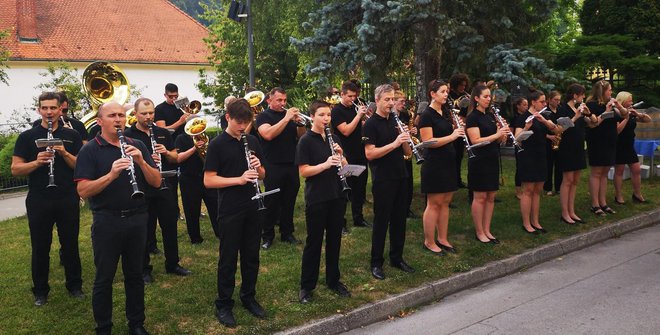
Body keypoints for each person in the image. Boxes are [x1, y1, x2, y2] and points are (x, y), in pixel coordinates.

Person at [74, 101, 161, 335]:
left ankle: (137, 323)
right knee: (104, 278)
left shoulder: (138, 144)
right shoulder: (90, 150)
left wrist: (141, 161)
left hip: (137, 219)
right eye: (112, 115)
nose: (118, 119)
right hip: (106, 221)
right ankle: (104, 327)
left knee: (134, 275)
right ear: (99, 121)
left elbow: (156, 182)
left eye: (121, 115)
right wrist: (111, 175)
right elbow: (83, 191)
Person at [12, 92, 84, 306]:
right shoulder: (27, 136)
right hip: (39, 199)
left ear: (60, 109)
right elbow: (15, 169)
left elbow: (80, 166)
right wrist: (36, 162)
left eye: (53, 108)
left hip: (67, 197)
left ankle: (75, 286)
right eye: (45, 108)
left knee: (70, 244)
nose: (49, 112)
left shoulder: (71, 136)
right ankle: (40, 291)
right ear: (39, 110)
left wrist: (64, 153)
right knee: (40, 246)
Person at [204, 99, 267, 328]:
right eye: (238, 122)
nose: (243, 127)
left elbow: (262, 175)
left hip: (253, 206)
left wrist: (258, 166)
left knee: (251, 255)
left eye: (246, 122)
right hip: (230, 208)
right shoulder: (217, 144)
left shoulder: (251, 141)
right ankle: (224, 303)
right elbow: (209, 180)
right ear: (228, 117)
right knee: (228, 258)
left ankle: (248, 296)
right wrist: (238, 180)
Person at [124, 98, 191, 283]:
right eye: (144, 113)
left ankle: (173, 263)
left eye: (151, 113)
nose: (148, 117)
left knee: (169, 226)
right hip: (143, 187)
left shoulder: (162, 132)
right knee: (145, 229)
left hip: (164, 186)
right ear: (135, 114)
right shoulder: (129, 135)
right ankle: (144, 269)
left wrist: (165, 153)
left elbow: (175, 157)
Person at [296, 100, 351, 303]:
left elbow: (344, 167)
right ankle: (306, 287)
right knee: (314, 242)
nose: (326, 119)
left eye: (328, 115)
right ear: (313, 117)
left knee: (335, 239)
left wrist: (342, 157)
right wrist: (325, 164)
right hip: (317, 197)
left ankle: (333, 280)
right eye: (321, 115)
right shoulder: (306, 141)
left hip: (337, 195)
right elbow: (304, 171)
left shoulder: (333, 138)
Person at [363, 84, 415, 280]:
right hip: (383, 178)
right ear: (377, 101)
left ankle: (397, 257)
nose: (391, 103)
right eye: (387, 100)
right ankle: (376, 262)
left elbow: (407, 154)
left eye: (393, 99)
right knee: (381, 221)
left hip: (400, 175)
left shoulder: (396, 121)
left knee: (399, 219)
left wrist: (405, 140)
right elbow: (370, 153)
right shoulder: (370, 124)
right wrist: (394, 143)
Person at [255, 87, 307, 249]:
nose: (283, 103)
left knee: (289, 200)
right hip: (272, 164)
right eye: (279, 100)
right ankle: (267, 235)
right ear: (269, 100)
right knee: (272, 201)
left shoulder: (289, 118)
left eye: (285, 100)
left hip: (291, 163)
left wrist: (299, 124)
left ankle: (287, 232)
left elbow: (301, 136)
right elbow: (268, 135)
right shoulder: (263, 116)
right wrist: (286, 118)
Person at [419, 80, 463, 255]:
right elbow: (428, 142)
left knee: (445, 202)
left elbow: (447, 133)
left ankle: (443, 238)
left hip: (448, 162)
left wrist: (457, 127)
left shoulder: (445, 112)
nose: (446, 94)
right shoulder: (426, 115)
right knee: (434, 203)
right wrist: (453, 136)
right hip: (434, 164)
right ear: (432, 94)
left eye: (447, 91)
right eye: (443, 91)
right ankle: (429, 241)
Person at [465, 85, 509, 244]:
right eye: (485, 96)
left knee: (491, 196)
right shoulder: (472, 117)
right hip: (479, 160)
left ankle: (487, 229)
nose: (489, 99)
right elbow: (475, 141)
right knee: (480, 196)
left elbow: (495, 139)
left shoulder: (490, 116)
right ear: (476, 98)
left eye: (489, 96)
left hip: (491, 159)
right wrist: (496, 134)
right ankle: (479, 231)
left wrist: (502, 135)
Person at [513, 90, 560, 234]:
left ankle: (536, 221)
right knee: (528, 190)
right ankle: (526, 223)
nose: (544, 104)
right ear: (533, 102)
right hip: (528, 156)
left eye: (545, 101)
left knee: (537, 190)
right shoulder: (523, 118)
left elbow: (556, 129)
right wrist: (526, 128)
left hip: (541, 155)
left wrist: (543, 121)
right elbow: (516, 139)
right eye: (542, 101)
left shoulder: (543, 116)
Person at [331, 80, 372, 233]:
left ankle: (358, 218)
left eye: (354, 96)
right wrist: (358, 116)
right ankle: (340, 223)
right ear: (342, 94)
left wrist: (365, 119)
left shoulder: (355, 107)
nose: (353, 99)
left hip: (359, 152)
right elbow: (346, 131)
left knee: (359, 188)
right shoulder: (336, 111)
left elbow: (358, 129)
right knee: (345, 189)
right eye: (349, 96)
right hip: (345, 155)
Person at [557, 83, 595, 224]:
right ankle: (564, 212)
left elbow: (592, 123)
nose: (584, 97)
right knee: (567, 180)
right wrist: (575, 117)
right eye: (582, 94)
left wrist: (587, 113)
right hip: (567, 148)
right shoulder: (563, 109)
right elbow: (560, 129)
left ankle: (572, 211)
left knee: (575, 181)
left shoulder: (581, 109)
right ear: (575, 95)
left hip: (579, 147)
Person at [176, 122, 220, 244]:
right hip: (189, 179)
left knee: (215, 205)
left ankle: (220, 232)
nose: (198, 131)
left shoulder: (205, 137)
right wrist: (195, 148)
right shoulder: (181, 138)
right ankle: (195, 238)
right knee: (191, 210)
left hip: (206, 177)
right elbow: (178, 158)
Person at [585, 80, 624, 216]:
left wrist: (617, 106)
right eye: (609, 90)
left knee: (605, 172)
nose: (611, 92)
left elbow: (622, 115)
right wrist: (606, 111)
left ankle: (603, 202)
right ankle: (595, 204)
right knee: (596, 172)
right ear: (602, 91)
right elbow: (593, 124)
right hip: (597, 142)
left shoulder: (611, 104)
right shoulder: (591, 105)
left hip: (610, 142)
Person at [154, 83, 187, 225]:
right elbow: (163, 129)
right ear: (165, 95)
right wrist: (180, 121)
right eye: (170, 96)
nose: (174, 99)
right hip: (169, 146)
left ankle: (191, 209)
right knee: (172, 182)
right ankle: (174, 211)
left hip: (183, 142)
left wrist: (189, 115)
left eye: (176, 96)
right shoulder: (160, 109)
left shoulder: (180, 106)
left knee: (186, 180)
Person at [613, 91, 652, 204]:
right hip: (619, 145)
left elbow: (648, 120)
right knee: (619, 171)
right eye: (630, 100)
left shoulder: (631, 112)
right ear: (623, 101)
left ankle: (637, 194)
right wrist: (626, 117)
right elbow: (617, 131)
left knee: (636, 169)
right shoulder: (617, 112)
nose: (632, 102)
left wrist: (638, 114)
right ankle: (618, 196)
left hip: (629, 145)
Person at [393, 89, 417, 218]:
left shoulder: (405, 115)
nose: (404, 104)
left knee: (409, 182)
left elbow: (408, 132)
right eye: (401, 101)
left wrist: (412, 130)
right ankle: (400, 209)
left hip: (406, 150)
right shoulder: (391, 117)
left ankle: (407, 208)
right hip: (396, 153)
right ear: (394, 102)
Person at [449, 73, 470, 188]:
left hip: (461, 127)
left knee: (459, 155)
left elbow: (467, 113)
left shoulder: (465, 96)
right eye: (461, 85)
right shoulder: (448, 95)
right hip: (450, 128)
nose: (463, 87)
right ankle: (451, 179)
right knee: (451, 156)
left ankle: (458, 179)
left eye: (464, 85)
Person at [544, 90, 563, 196]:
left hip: (559, 140)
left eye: (559, 100)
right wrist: (549, 136)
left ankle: (559, 187)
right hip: (548, 140)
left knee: (559, 165)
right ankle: (548, 188)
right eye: (555, 100)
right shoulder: (545, 112)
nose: (558, 102)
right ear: (549, 100)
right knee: (549, 164)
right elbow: (541, 129)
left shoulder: (560, 110)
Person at [511, 97, 529, 200]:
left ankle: (525, 188)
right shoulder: (515, 117)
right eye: (524, 105)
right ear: (518, 106)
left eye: (527, 104)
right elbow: (512, 132)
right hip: (519, 144)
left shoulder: (528, 116)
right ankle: (518, 190)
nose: (526, 107)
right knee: (520, 167)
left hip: (528, 143)